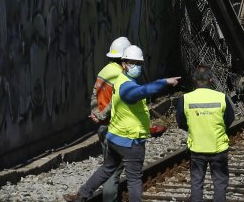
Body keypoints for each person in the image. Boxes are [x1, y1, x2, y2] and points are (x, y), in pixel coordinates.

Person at [65, 45, 180, 202]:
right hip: (130, 141)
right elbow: (141, 92)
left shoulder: (121, 80)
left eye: (139, 63)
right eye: (133, 63)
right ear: (124, 63)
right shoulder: (127, 87)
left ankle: (81, 196)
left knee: (107, 168)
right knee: (134, 179)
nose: (137, 66)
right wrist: (164, 82)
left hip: (114, 138)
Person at [175, 66, 235, 202]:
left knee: (196, 183)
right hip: (218, 147)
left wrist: (194, 129)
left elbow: (180, 121)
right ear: (211, 79)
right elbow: (230, 118)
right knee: (220, 183)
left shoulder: (185, 99)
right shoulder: (221, 97)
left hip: (197, 148)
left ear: (194, 79)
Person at [88, 36, 131, 202]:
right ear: (123, 58)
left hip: (103, 128)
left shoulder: (103, 71)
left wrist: (96, 114)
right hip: (115, 127)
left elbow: (94, 96)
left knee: (108, 166)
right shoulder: (120, 75)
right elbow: (115, 102)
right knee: (113, 171)